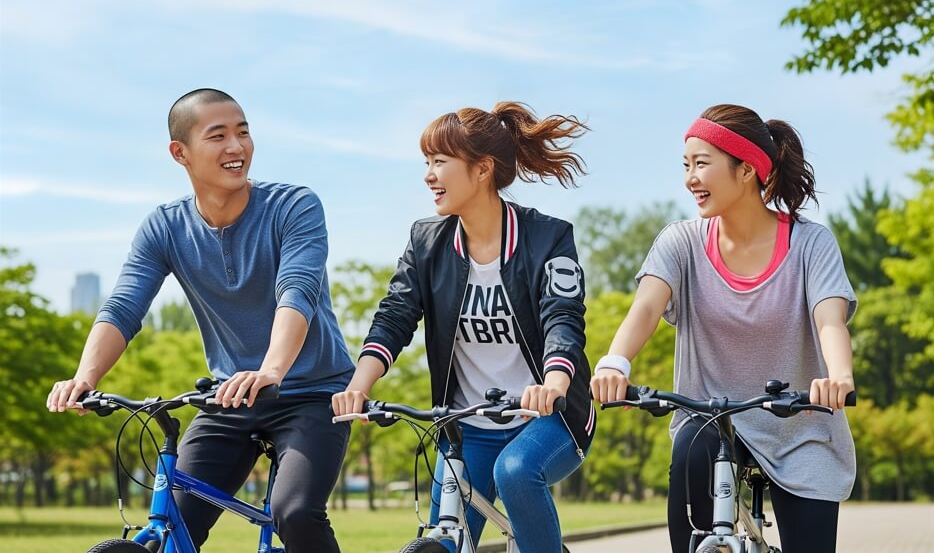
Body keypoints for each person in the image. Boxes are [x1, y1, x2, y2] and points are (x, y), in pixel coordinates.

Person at [47, 88, 354, 553]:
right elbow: (125, 306)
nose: (237, 147)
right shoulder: (165, 227)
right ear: (180, 153)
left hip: (311, 393)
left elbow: (298, 292)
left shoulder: (294, 206)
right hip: (229, 397)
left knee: (293, 512)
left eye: (243, 132)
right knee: (173, 518)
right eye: (219, 136)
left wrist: (271, 369)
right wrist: (84, 377)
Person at [590, 103, 857, 553]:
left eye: (702, 163)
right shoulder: (681, 242)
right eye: (686, 165)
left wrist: (838, 376)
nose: (690, 177)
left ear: (747, 169)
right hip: (709, 420)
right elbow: (646, 307)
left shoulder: (812, 243)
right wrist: (615, 363)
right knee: (692, 450)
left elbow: (829, 319)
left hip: (800, 426)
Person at [332, 102, 596, 553]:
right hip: (467, 425)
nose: (428, 175)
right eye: (427, 162)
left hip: (547, 418)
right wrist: (359, 385)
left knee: (515, 471)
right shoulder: (426, 241)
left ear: (482, 169)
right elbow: (396, 314)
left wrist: (553, 381)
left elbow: (562, 317)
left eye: (440, 161)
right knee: (446, 537)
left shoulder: (547, 237)